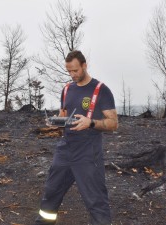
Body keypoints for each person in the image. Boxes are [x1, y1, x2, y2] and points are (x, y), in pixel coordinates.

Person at [35, 50, 118, 225]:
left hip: (88, 153)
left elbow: (113, 123)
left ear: (84, 66)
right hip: (65, 149)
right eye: (69, 71)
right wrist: (57, 121)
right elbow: (64, 114)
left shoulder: (101, 90)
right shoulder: (67, 89)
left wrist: (91, 122)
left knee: (96, 201)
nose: (72, 75)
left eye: (75, 71)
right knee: (51, 193)